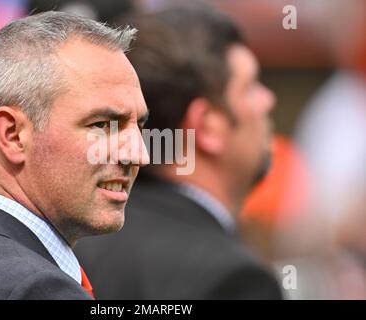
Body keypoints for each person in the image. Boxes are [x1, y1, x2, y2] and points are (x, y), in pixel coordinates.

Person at [0, 11, 149, 299]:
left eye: (139, 125)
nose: (138, 154)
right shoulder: (39, 290)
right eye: (101, 124)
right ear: (12, 135)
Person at [76, 5, 283, 299]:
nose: (268, 100)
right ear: (208, 125)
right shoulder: (234, 279)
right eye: (250, 87)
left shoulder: (76, 246)